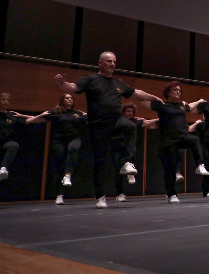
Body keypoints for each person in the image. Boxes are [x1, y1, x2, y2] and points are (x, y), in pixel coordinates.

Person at [54, 51, 162, 208]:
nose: (112, 64)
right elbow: (73, 87)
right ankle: (100, 197)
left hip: (116, 120)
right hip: (98, 125)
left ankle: (126, 162)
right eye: (109, 61)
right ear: (100, 63)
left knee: (130, 125)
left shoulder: (119, 83)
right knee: (100, 161)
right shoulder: (90, 79)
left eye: (114, 62)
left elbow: (137, 93)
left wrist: (154, 97)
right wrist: (62, 84)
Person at [139, 81, 207, 203]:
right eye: (175, 90)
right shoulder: (162, 105)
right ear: (168, 92)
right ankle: (171, 194)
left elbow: (190, 106)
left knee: (195, 140)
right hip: (169, 140)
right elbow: (142, 101)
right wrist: (153, 97)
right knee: (171, 168)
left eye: (179, 90)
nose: (178, 92)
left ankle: (200, 165)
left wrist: (200, 101)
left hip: (183, 136)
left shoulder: (182, 105)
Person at [24, 94, 87, 204]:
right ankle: (59, 195)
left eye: (71, 98)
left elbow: (92, 119)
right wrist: (21, 115)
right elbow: (39, 118)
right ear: (62, 100)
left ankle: (68, 175)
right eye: (67, 98)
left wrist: (88, 115)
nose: (70, 99)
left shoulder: (77, 113)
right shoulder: (55, 113)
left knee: (74, 148)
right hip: (59, 141)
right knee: (60, 167)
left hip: (74, 139)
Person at [114, 103, 159, 201]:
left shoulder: (135, 121)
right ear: (123, 112)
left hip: (129, 147)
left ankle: (130, 173)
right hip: (118, 147)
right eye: (128, 111)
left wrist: (157, 119)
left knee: (131, 157)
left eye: (131, 111)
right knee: (118, 171)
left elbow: (146, 123)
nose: (130, 113)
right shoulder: (119, 120)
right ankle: (120, 194)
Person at [0, 93, 25, 182]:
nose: (6, 102)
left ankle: (3, 168)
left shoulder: (11, 115)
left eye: (8, 100)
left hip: (4, 142)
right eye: (3, 100)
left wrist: (41, 116)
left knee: (14, 145)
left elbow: (28, 121)